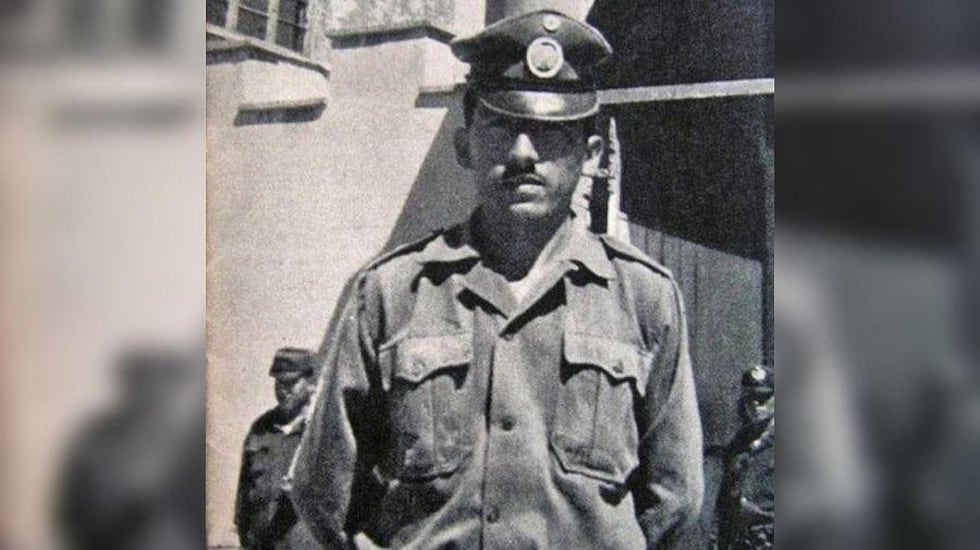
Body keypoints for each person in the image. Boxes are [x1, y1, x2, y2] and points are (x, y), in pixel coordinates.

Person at [292, 10, 704, 549]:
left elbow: (676, 497)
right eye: (502, 127)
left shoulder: (645, 299)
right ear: (465, 146)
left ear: (591, 154)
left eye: (551, 133)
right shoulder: (392, 295)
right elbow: (323, 491)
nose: (523, 154)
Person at [235, 348, 319, 550]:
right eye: (279, 383)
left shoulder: (322, 430)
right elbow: (243, 495)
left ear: (311, 383)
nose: (283, 390)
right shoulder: (261, 428)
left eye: (291, 383)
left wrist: (303, 491)